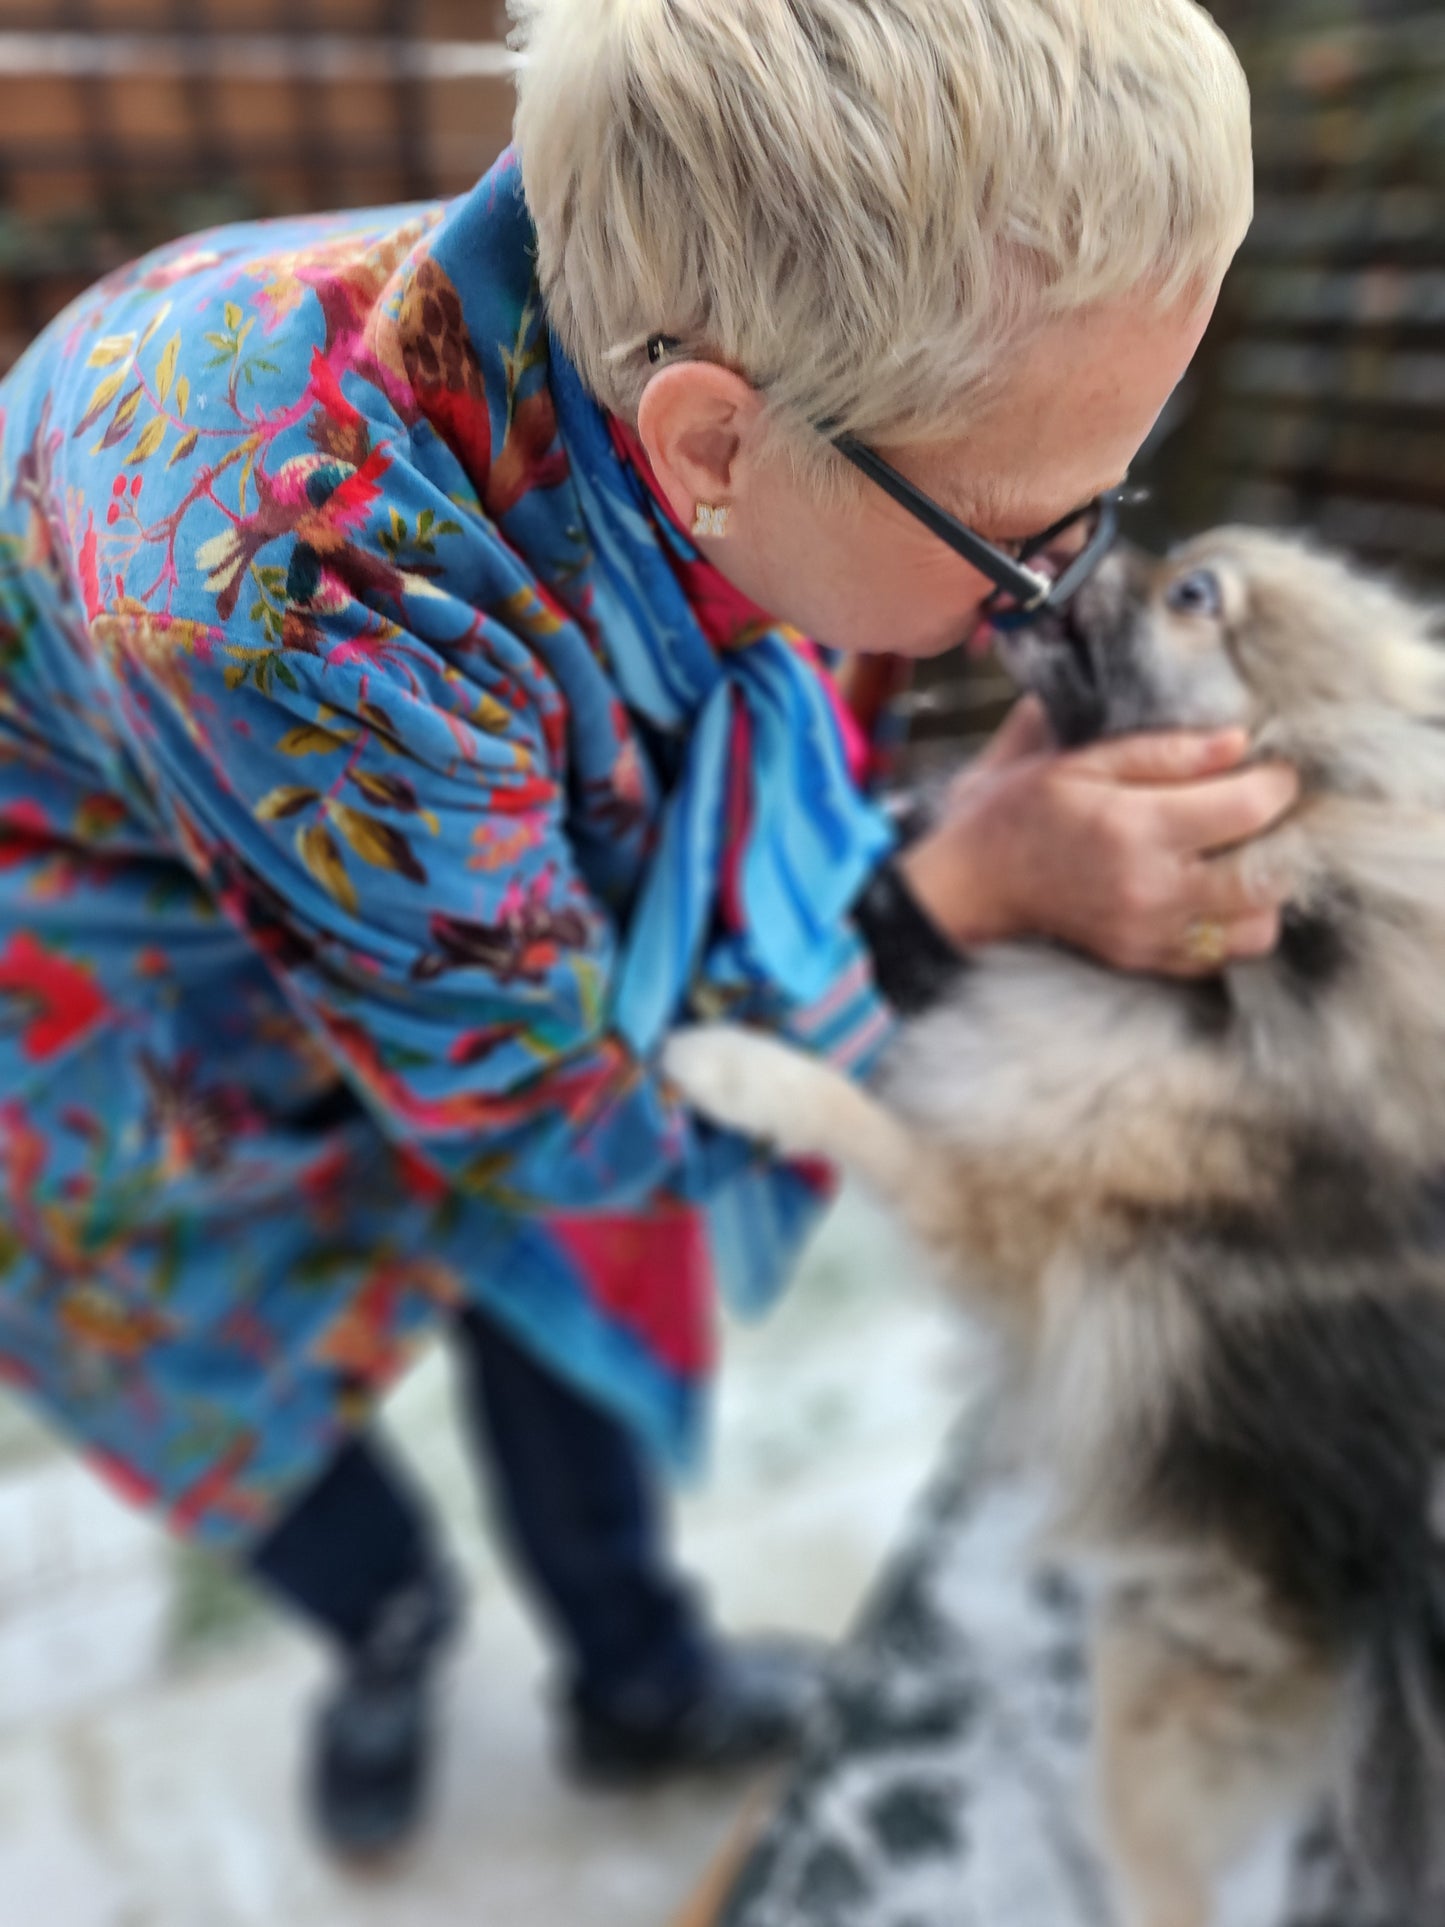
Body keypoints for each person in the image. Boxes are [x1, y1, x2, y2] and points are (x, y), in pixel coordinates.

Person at [0, 0, 1293, 1864]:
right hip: (131, 993)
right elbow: (560, 1131)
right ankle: (384, 1620)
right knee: (238, 1366)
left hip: (384, 872)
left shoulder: (683, 304)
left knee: (564, 1314)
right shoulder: (300, 600)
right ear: (706, 444)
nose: (1068, 586)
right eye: (1029, 533)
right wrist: (964, 890)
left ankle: (630, 1670)